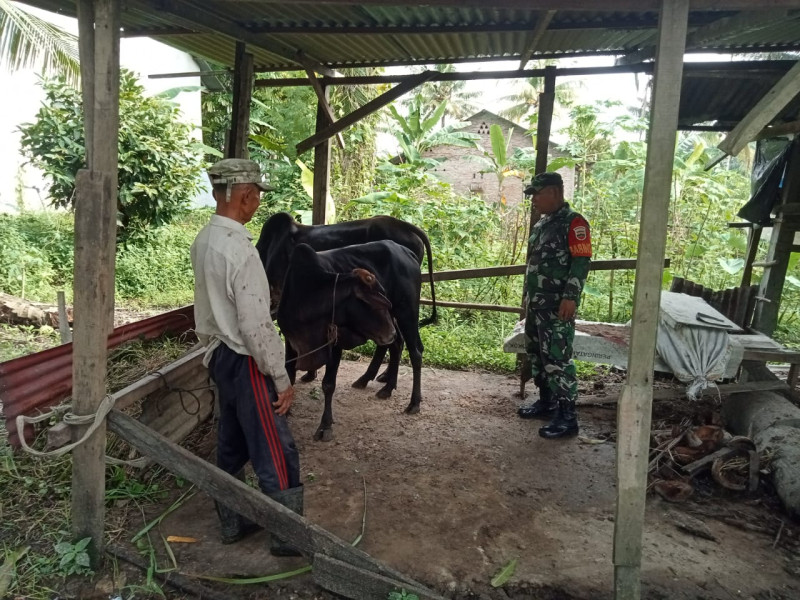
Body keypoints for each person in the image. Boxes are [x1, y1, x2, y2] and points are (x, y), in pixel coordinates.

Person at [191, 158, 302, 556]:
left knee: (232, 442)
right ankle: (288, 536)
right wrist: (281, 377)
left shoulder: (203, 240)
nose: (257, 202)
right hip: (247, 361)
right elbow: (256, 326)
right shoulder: (241, 249)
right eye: (256, 195)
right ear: (246, 196)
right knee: (275, 446)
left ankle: (233, 521)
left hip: (220, 357)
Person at [517, 172, 592, 439]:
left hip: (558, 306)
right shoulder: (542, 224)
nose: (534, 200)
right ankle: (547, 402)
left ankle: (567, 417)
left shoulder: (574, 223)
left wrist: (570, 296)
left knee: (558, 358)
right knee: (537, 354)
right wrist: (528, 297)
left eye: (538, 194)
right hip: (538, 304)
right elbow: (535, 265)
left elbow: (581, 262)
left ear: (554, 192)